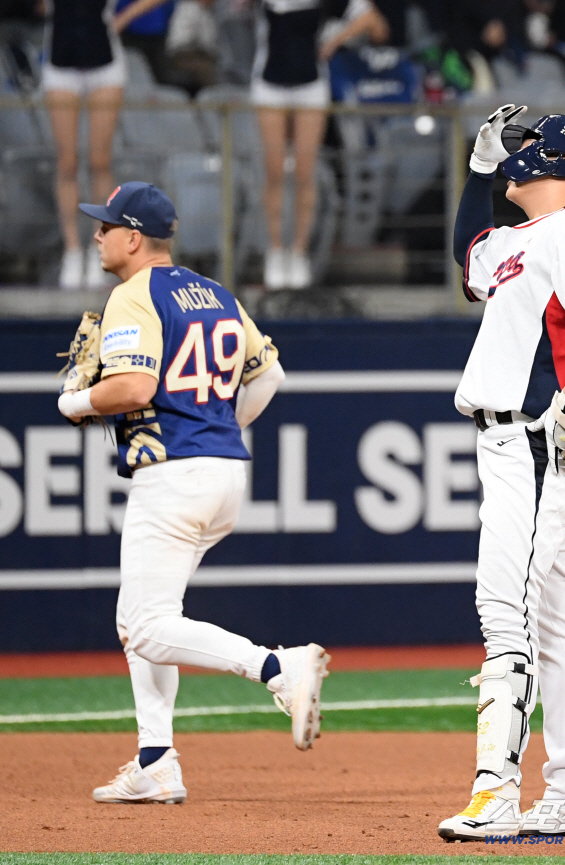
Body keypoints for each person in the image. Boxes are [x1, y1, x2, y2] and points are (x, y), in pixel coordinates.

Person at [57, 182, 330, 803]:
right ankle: (155, 761)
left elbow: (130, 388)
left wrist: (73, 401)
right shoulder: (215, 292)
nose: (97, 235)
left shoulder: (133, 294)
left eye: (105, 227)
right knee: (142, 616)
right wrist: (222, 428)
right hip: (222, 471)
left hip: (174, 474)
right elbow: (271, 374)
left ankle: (276, 667)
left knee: (147, 627)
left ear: (132, 238)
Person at [438, 106, 565, 841]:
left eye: (526, 146)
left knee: (507, 612)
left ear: (553, 161)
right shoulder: (520, 240)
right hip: (517, 441)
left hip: (533, 440)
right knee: (557, 621)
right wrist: (476, 171)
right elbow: (470, 256)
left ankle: (496, 791)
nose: (514, 154)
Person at [251, 0, 389, 290]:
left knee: (305, 172)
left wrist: (335, 41)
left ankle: (299, 251)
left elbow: (373, 22)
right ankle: (275, 250)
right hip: (269, 83)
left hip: (310, 84)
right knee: (274, 170)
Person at [42, 0, 172, 291]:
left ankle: (98, 245)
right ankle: (72, 250)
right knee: (67, 162)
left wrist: (124, 18)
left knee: (100, 161)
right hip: (61, 61)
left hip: (104, 62)